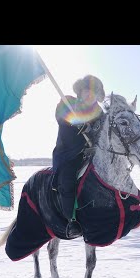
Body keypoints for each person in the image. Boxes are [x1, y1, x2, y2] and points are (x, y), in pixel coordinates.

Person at [52, 75, 105, 235]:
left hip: (93, 155)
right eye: (85, 91)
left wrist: (93, 131)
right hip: (69, 154)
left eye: (93, 92)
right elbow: (61, 116)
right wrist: (75, 120)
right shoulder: (67, 102)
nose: (89, 95)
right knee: (68, 180)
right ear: (79, 92)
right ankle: (72, 221)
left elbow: (103, 132)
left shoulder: (100, 112)